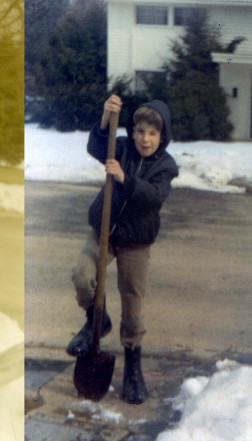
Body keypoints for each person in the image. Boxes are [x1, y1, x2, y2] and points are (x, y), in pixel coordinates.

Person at [66, 95, 179, 404]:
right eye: (140, 130)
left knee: (132, 304)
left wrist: (124, 178)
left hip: (136, 240)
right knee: (81, 273)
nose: (145, 139)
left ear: (162, 136)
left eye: (153, 133)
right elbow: (96, 147)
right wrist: (105, 117)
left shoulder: (166, 166)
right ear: (134, 130)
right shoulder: (122, 148)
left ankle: (132, 367)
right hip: (104, 229)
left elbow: (154, 198)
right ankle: (96, 321)